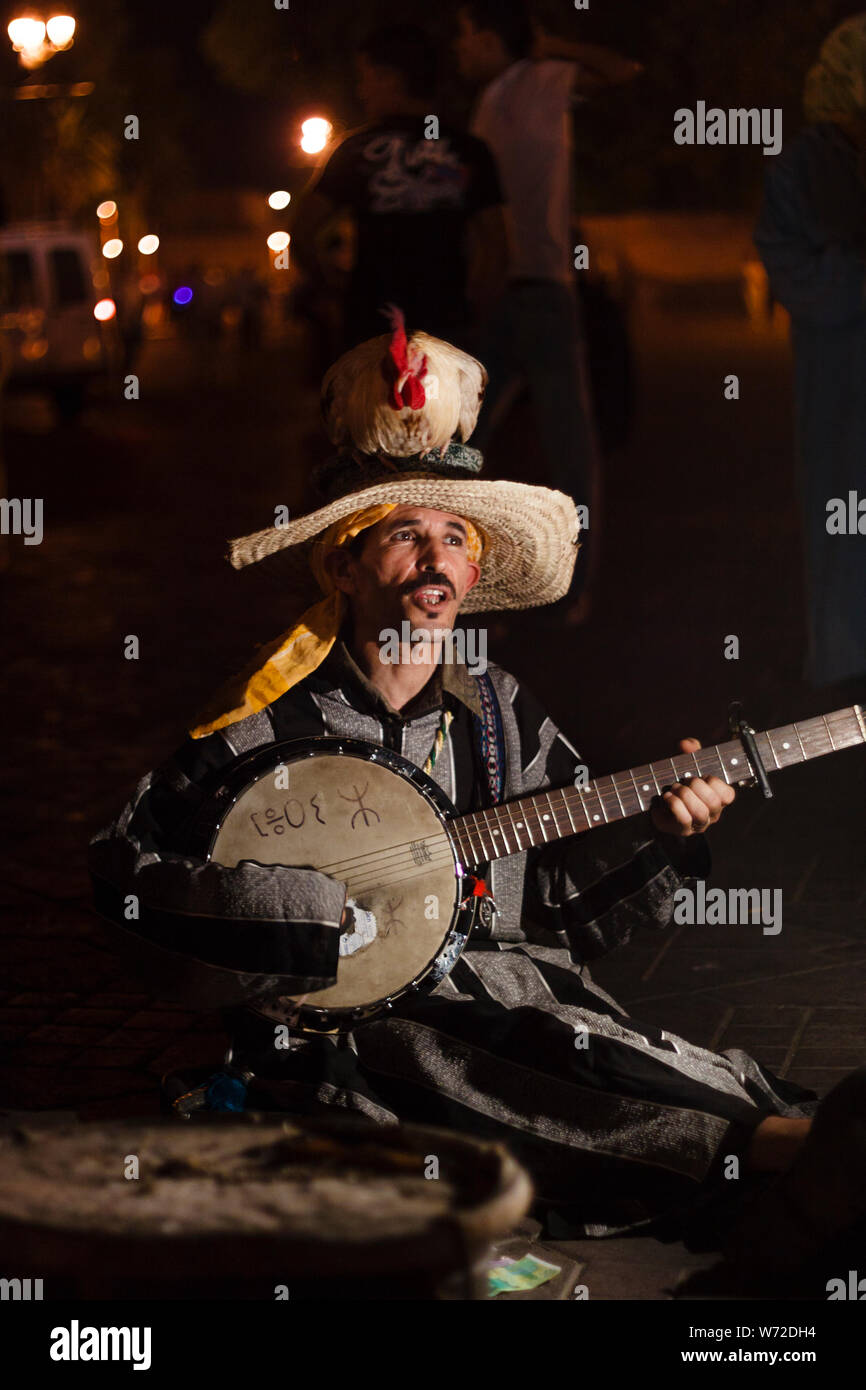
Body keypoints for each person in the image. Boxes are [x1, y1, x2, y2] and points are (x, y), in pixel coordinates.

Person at [89, 317, 863, 1290]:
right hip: (356, 1033)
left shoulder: (497, 713)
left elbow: (560, 916)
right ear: (341, 565)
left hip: (521, 995)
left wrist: (662, 833)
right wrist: (292, 917)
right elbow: (122, 874)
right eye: (404, 533)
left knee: (592, 1048)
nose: (436, 559)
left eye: (454, 536)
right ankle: (803, 1162)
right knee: (486, 1075)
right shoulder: (262, 725)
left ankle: (794, 1153)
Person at [454, 0, 642, 620]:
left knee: (489, 443)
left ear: (489, 38)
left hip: (531, 286)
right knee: (539, 447)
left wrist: (549, 44)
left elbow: (624, 70)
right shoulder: (498, 97)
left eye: (467, 33)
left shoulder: (541, 78)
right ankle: (543, 587)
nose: (459, 48)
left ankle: (552, 586)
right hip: (522, 288)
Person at [754, 12, 866, 688]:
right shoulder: (803, 167)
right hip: (841, 392)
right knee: (843, 539)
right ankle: (845, 688)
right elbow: (797, 273)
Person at [291, 23, 508, 352]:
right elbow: (497, 246)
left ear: (391, 78)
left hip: (371, 329)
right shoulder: (469, 151)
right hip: (446, 328)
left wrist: (336, 290)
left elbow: (303, 232)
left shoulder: (354, 151)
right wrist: (476, 311)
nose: (361, 90)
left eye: (366, 77)